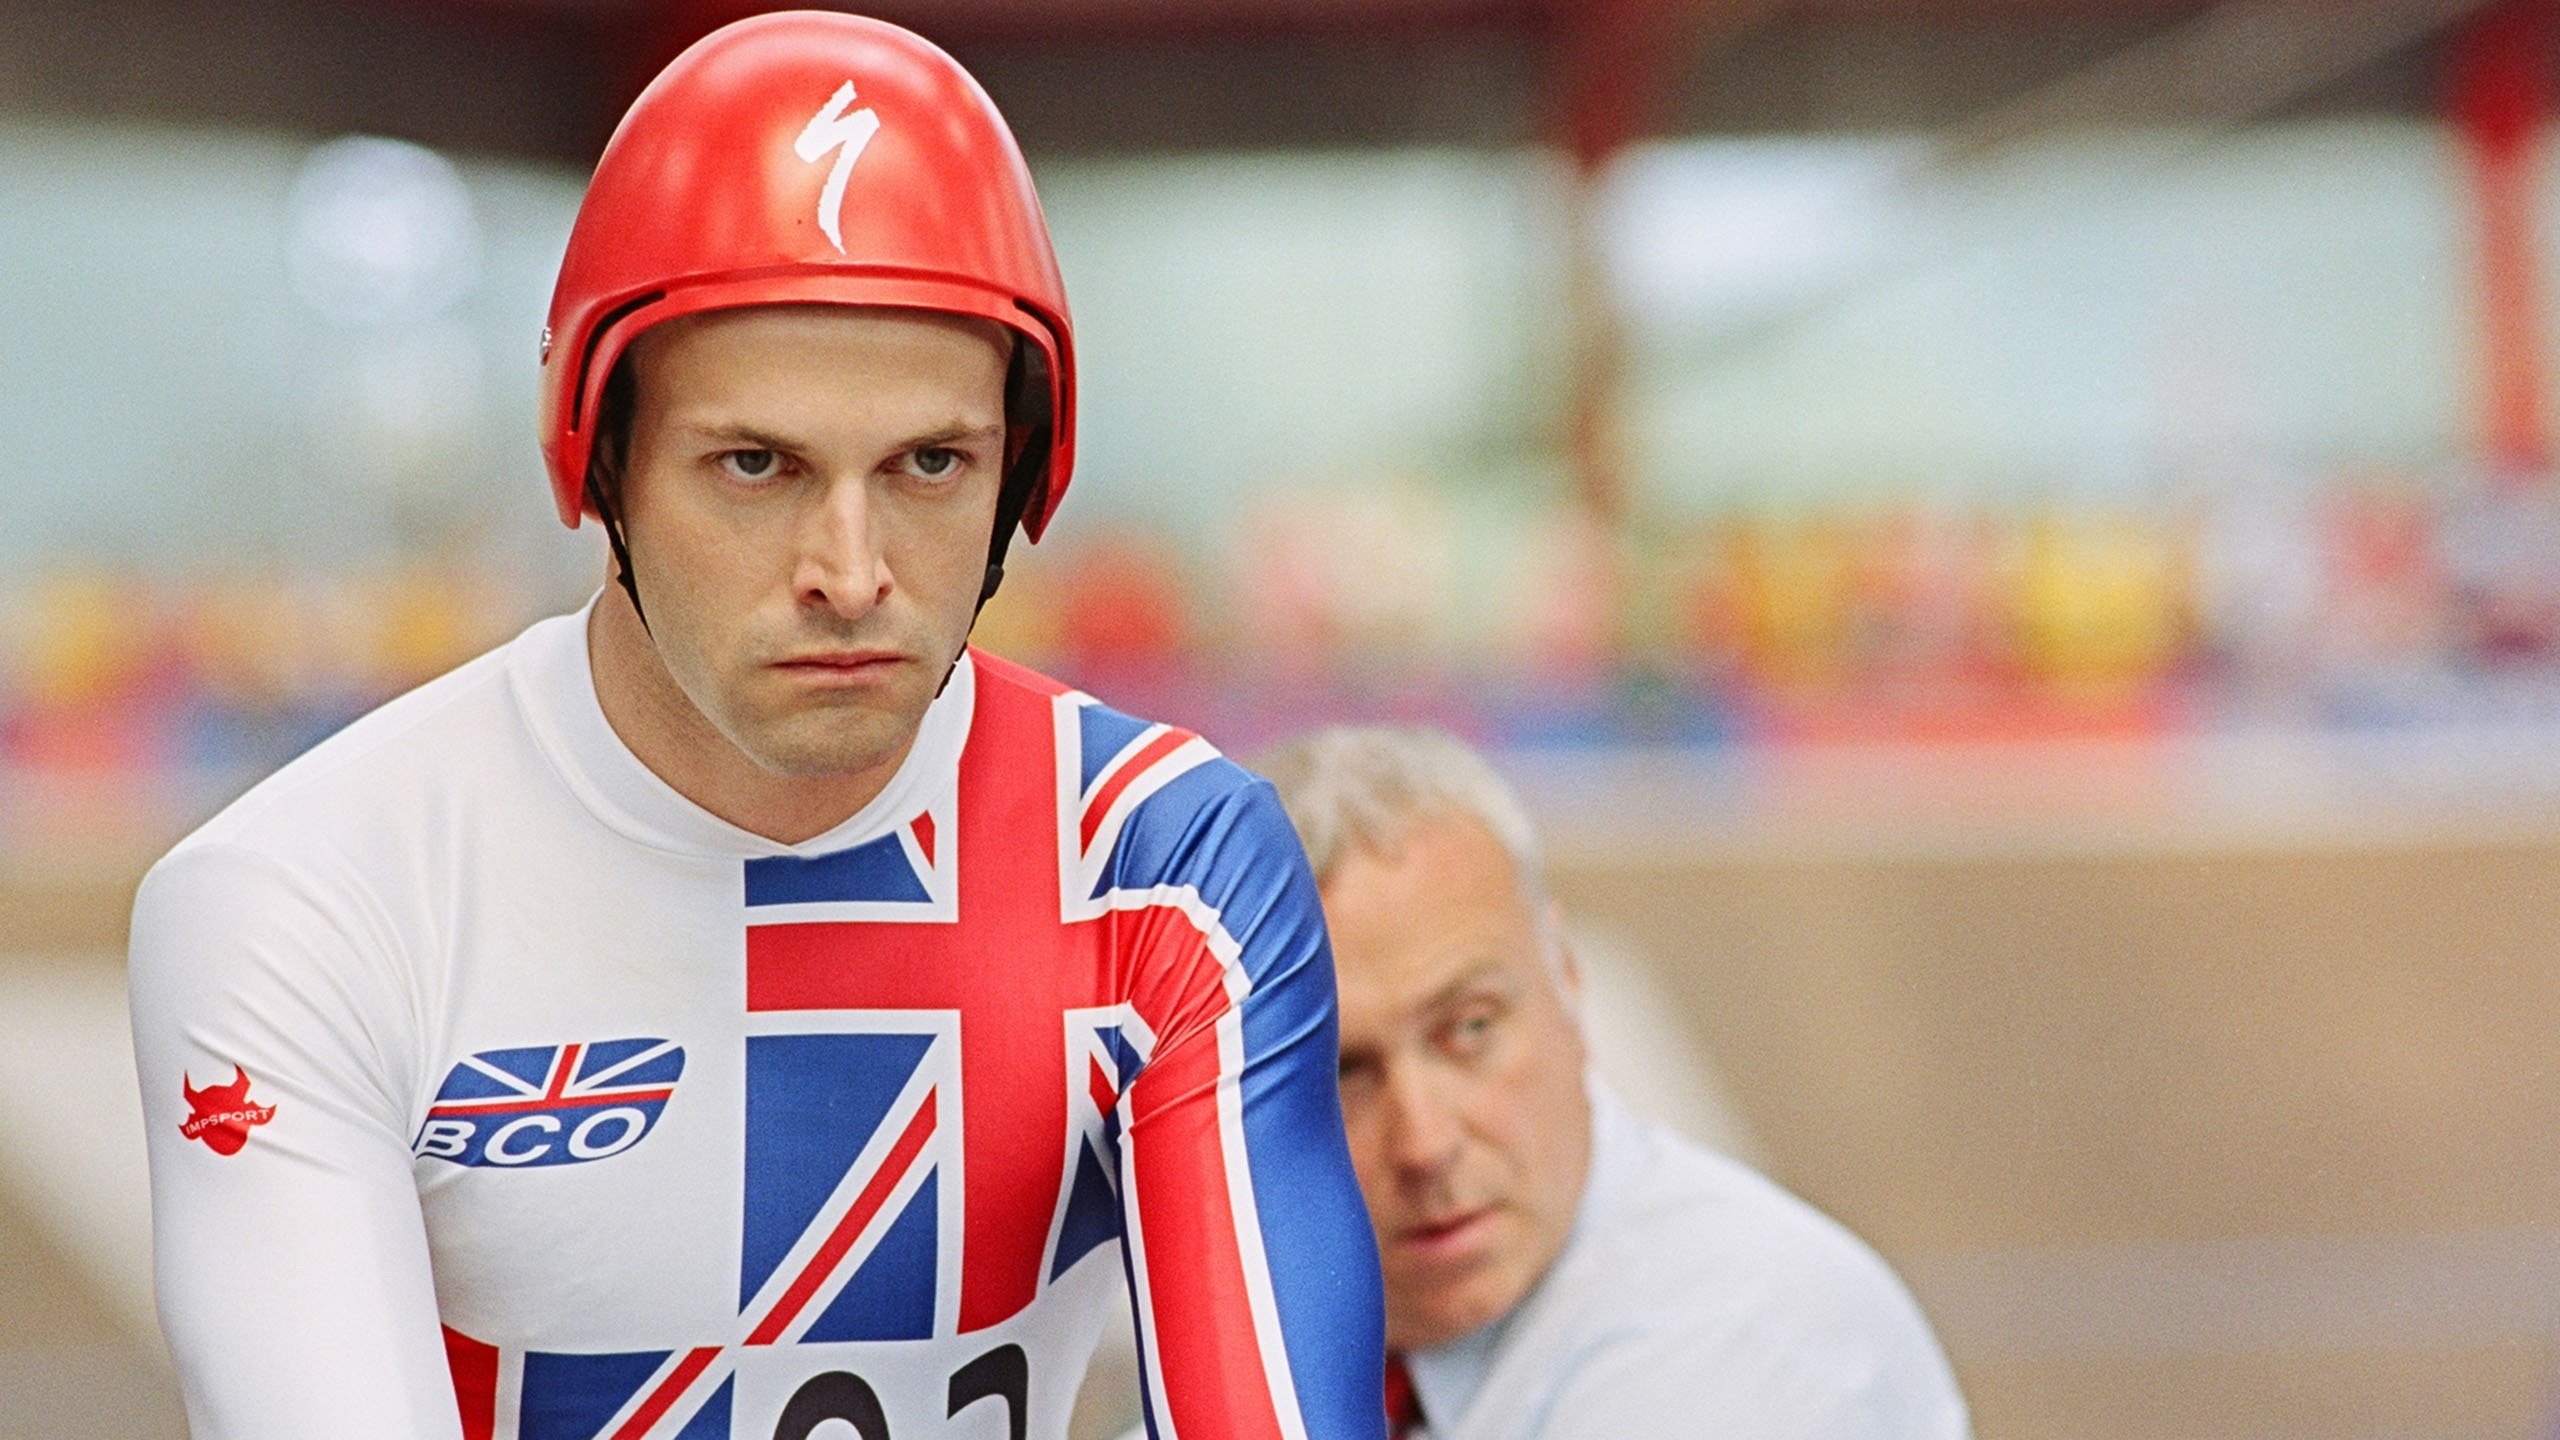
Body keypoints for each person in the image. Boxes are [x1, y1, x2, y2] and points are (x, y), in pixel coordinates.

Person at [127, 14, 1383, 1439]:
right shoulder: (307, 898)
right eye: (755, 465)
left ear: (1022, 471)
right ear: (599, 458)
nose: (850, 571)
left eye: (928, 463)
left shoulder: (1163, 867)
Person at [1251, 725, 1970, 1440]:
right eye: (1337, 1074)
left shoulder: (1741, 1337)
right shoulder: (1305, 1341)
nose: (1425, 1144)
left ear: (1566, 978)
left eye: (1471, 1028)